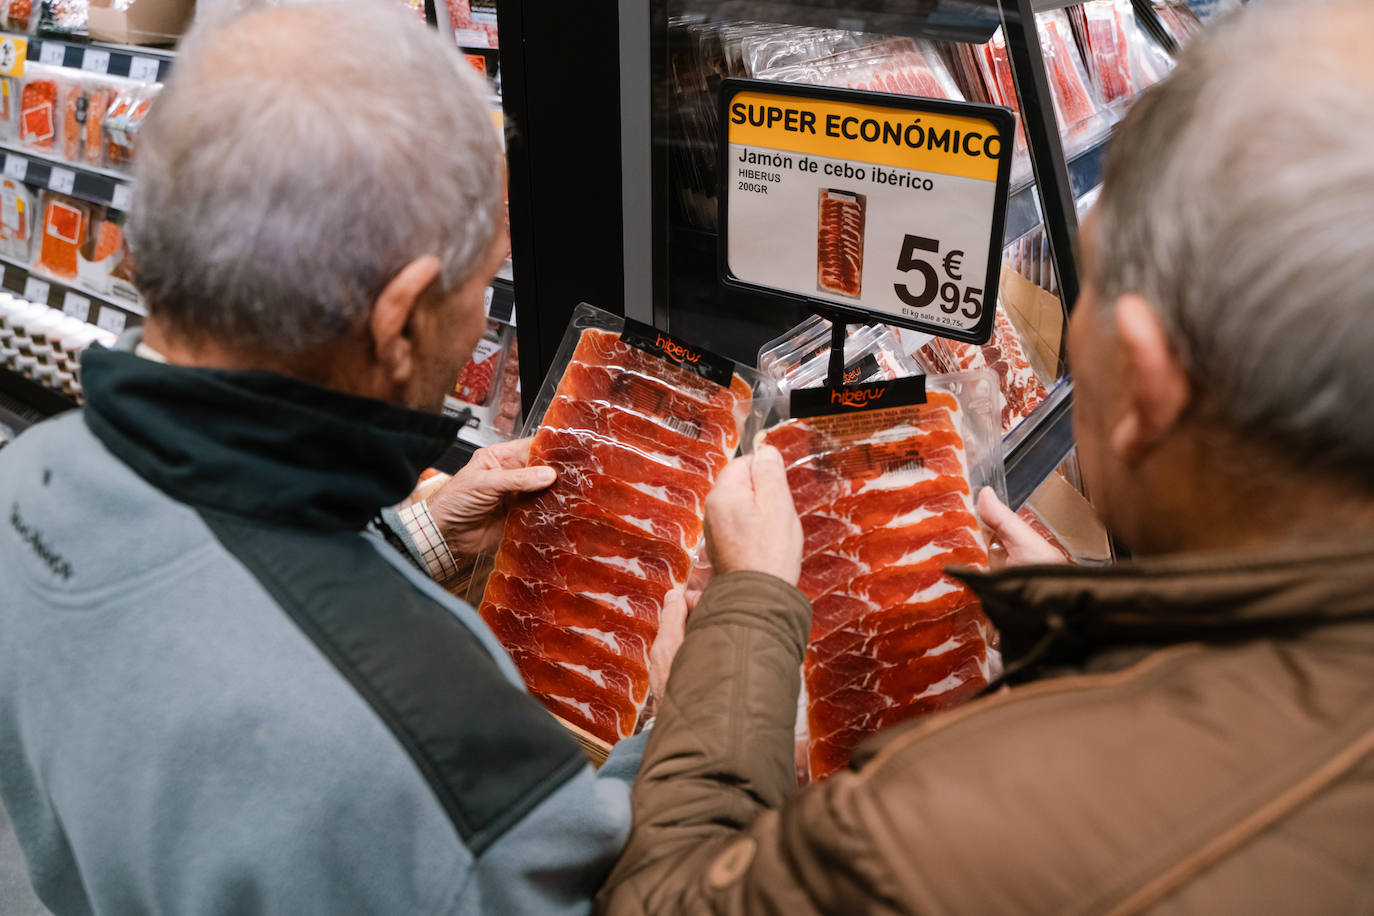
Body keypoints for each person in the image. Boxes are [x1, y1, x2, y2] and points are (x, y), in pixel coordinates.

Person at [597, 2, 1374, 913]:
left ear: (1150, 386)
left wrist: (748, 613)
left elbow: (672, 901)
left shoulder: (937, 835)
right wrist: (1081, 638)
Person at [0, 3, 674, 913]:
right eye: (482, 282)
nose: (480, 316)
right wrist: (684, 710)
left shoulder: (33, 472)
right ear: (399, 322)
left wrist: (411, 543)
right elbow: (580, 884)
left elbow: (221, 613)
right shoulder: (434, 740)